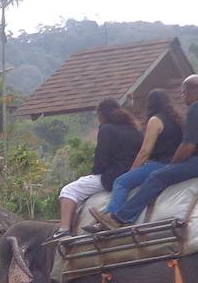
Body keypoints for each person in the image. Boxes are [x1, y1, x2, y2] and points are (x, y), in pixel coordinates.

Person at [103, 74, 198, 225]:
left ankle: (121, 218)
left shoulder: (197, 107)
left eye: (183, 94)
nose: (184, 99)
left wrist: (172, 166)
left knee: (157, 177)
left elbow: (188, 146)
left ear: (187, 92)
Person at [57, 98, 143, 233]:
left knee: (69, 190)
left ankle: (64, 229)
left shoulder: (106, 129)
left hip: (110, 177)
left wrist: (95, 173)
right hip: (133, 175)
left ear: (102, 115)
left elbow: (101, 160)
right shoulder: (135, 130)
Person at [103, 87, 185, 220]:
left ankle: (111, 216)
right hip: (174, 164)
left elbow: (145, 151)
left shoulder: (155, 121)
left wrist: (132, 170)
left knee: (121, 182)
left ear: (150, 104)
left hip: (158, 164)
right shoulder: (177, 120)